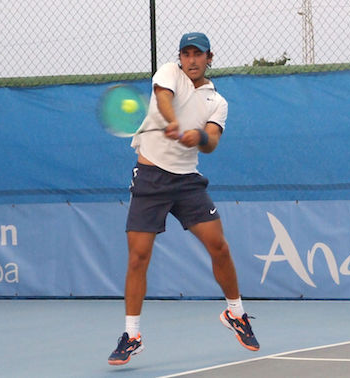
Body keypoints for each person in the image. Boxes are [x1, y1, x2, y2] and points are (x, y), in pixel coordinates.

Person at [108, 32, 259, 366]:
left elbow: (212, 142)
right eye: (186, 54)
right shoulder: (168, 73)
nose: (191, 60)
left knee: (219, 246)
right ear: (180, 57)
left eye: (198, 54)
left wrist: (199, 136)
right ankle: (131, 334)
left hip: (187, 181)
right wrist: (174, 122)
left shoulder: (217, 101)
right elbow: (163, 99)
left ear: (209, 58)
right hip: (150, 177)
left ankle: (236, 313)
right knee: (138, 257)